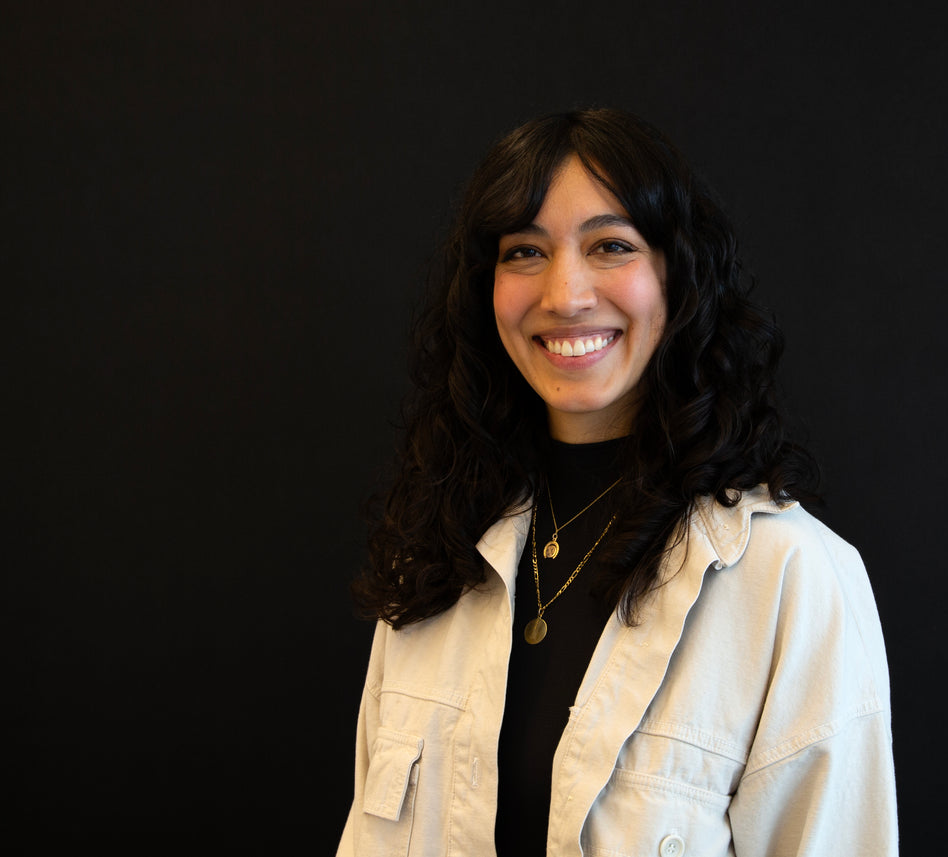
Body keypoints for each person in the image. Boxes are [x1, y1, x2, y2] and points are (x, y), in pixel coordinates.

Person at [337, 108, 898, 856]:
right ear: (486, 289)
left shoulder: (793, 579)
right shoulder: (438, 553)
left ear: (679, 275)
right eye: (525, 251)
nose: (565, 293)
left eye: (611, 245)